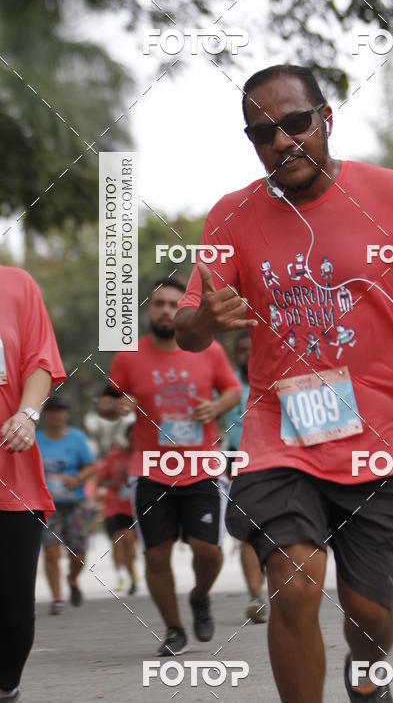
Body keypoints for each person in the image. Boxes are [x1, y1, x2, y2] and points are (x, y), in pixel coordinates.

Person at [174, 64, 393, 703]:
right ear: (252, 143)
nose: (283, 141)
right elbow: (190, 332)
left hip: (378, 436)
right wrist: (203, 320)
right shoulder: (231, 216)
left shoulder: (390, 194)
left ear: (326, 119)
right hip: (279, 433)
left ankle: (366, 681)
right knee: (296, 580)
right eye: (263, 133)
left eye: (295, 123)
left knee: (370, 613)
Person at [97, 277, 241, 656]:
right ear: (148, 311)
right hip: (150, 471)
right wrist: (116, 407)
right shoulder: (129, 355)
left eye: (173, 304)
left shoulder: (208, 351)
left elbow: (233, 390)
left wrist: (217, 407)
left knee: (207, 551)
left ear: (185, 311)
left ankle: (199, 596)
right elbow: (105, 403)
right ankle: (174, 629)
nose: (165, 310)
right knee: (156, 554)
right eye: (158, 303)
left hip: (201, 468)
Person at [0, 265, 66, 703]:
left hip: (12, 473)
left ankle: (8, 688)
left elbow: (41, 360)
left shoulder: (17, 284)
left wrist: (27, 414)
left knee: (13, 613)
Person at [37, 394, 97, 614]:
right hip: (48, 505)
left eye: (61, 410)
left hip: (75, 503)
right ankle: (57, 598)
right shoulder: (36, 440)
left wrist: (77, 479)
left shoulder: (77, 438)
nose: (56, 414)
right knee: (51, 552)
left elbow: (91, 466)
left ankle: (72, 580)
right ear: (45, 414)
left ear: (67, 414)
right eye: (52, 410)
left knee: (78, 553)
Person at [224, 331, 267, 624]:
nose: (247, 355)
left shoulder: (279, 381)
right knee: (250, 532)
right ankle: (256, 596)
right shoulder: (228, 389)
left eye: (252, 348)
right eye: (241, 350)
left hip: (283, 460)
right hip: (241, 462)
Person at [96, 423, 138, 594]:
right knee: (119, 542)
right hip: (113, 507)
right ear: (127, 437)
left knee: (130, 544)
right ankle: (121, 576)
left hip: (134, 508)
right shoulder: (114, 457)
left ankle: (132, 573)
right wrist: (112, 484)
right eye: (132, 436)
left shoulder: (144, 456)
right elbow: (100, 481)